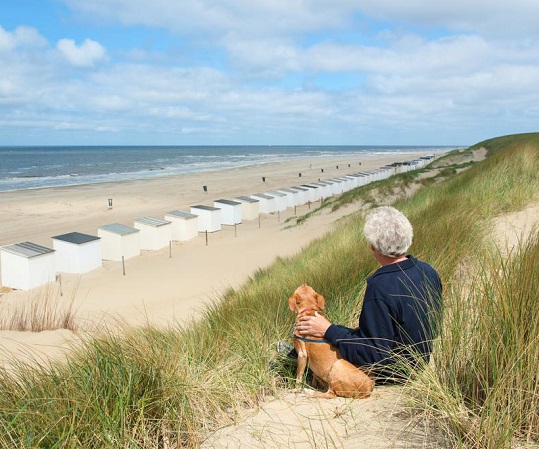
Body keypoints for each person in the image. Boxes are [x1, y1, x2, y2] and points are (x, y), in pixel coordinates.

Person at [296, 206, 443, 382]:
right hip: (419, 361)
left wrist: (326, 330)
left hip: (394, 373)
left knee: (327, 339)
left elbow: (373, 355)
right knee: (341, 331)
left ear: (373, 246)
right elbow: (433, 327)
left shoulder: (380, 286)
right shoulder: (428, 270)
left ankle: (295, 356)